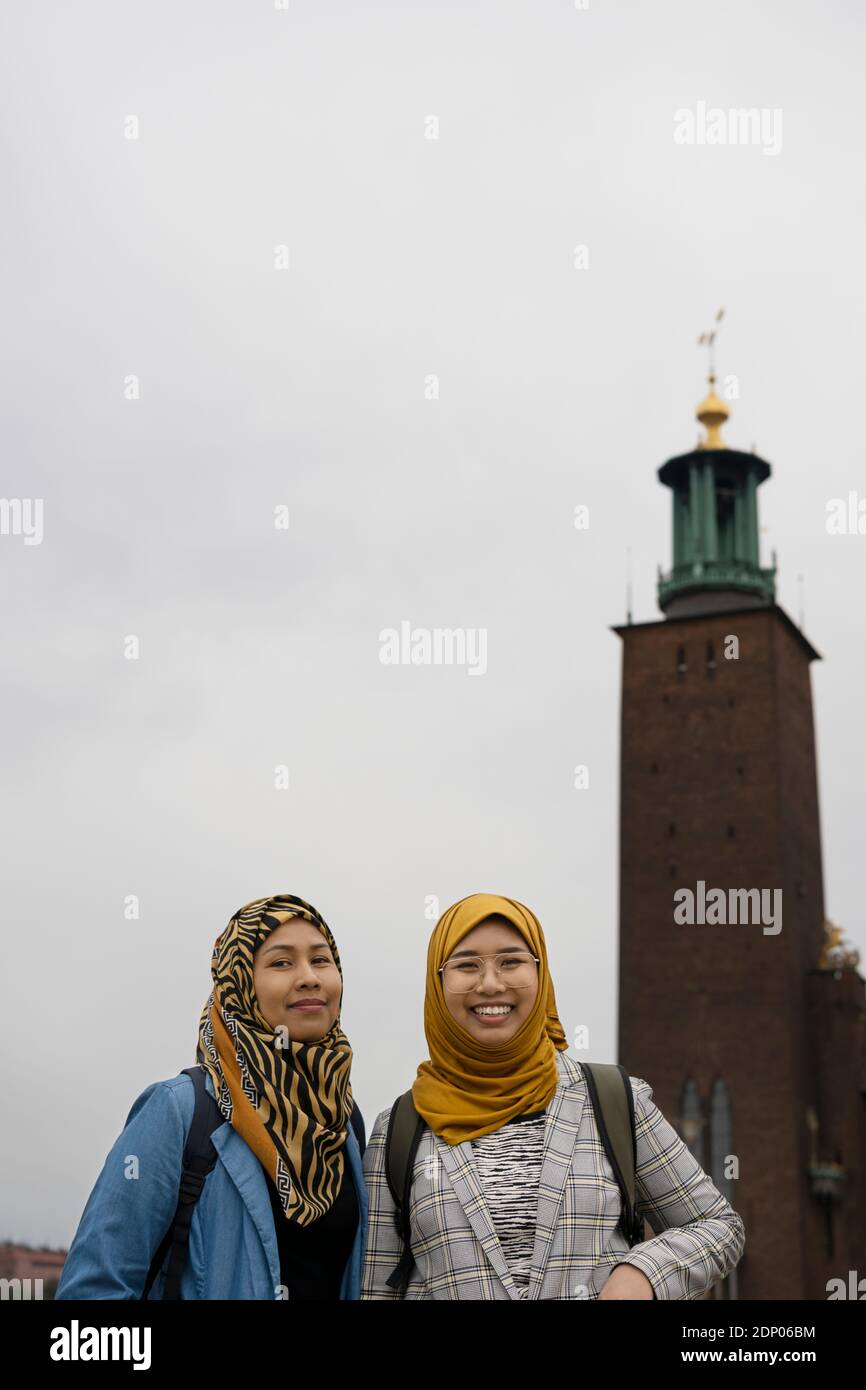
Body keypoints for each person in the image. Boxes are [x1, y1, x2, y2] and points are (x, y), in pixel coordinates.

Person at [360, 892, 745, 1301]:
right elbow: (373, 1290)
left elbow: (717, 1224)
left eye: (511, 961)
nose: (491, 984)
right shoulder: (400, 1128)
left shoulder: (612, 1102)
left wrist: (642, 1274)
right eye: (466, 965)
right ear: (438, 984)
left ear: (540, 974)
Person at [56, 893, 368, 1299]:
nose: (309, 976)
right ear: (238, 983)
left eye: (321, 959)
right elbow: (94, 1290)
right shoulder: (180, 1111)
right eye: (281, 962)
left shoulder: (343, 1121)